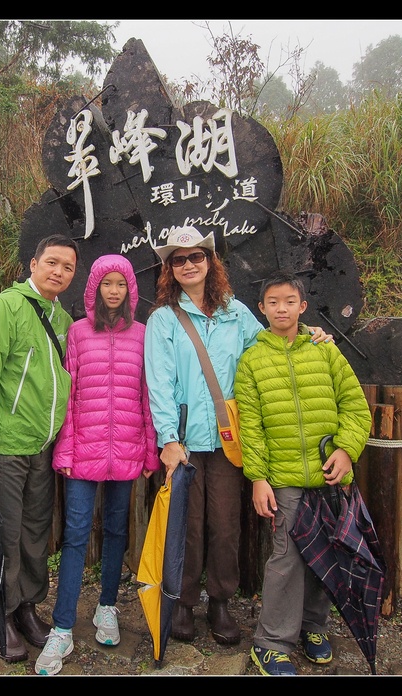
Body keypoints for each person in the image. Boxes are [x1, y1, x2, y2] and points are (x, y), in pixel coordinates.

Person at [144, 226, 331, 646]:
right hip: (186, 444)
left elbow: (268, 346)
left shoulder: (236, 312)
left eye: (197, 256)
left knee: (226, 526)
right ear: (169, 269)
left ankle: (221, 602)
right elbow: (158, 381)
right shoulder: (162, 320)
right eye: (179, 259)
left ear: (210, 262)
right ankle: (185, 601)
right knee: (186, 526)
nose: (189, 264)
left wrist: (309, 336)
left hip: (231, 440)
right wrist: (168, 439)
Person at [234, 270, 371, 675]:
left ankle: (314, 627)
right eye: (273, 302)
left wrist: (347, 450)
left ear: (302, 306)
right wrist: (259, 478)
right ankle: (272, 643)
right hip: (286, 478)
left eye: (289, 301)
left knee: (326, 553)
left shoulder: (325, 351)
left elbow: (355, 406)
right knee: (287, 557)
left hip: (330, 477)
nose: (281, 308)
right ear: (261, 309)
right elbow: (251, 429)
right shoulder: (252, 361)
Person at [35, 254, 161, 675]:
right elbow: (69, 397)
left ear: (130, 291)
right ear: (94, 288)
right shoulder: (77, 333)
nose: (113, 291)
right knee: (74, 536)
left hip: (126, 451)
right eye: (105, 283)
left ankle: (107, 606)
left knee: (116, 532)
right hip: (84, 451)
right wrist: (65, 451)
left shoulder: (143, 335)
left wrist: (149, 450)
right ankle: (63, 628)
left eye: (120, 284)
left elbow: (147, 396)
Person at [0, 234, 79, 663]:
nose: (58, 272)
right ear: (32, 264)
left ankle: (28, 607)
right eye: (51, 263)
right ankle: (4, 615)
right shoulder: (1, 309)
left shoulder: (61, 319)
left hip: (42, 446)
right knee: (6, 535)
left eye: (67, 267)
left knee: (34, 533)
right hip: (6, 446)